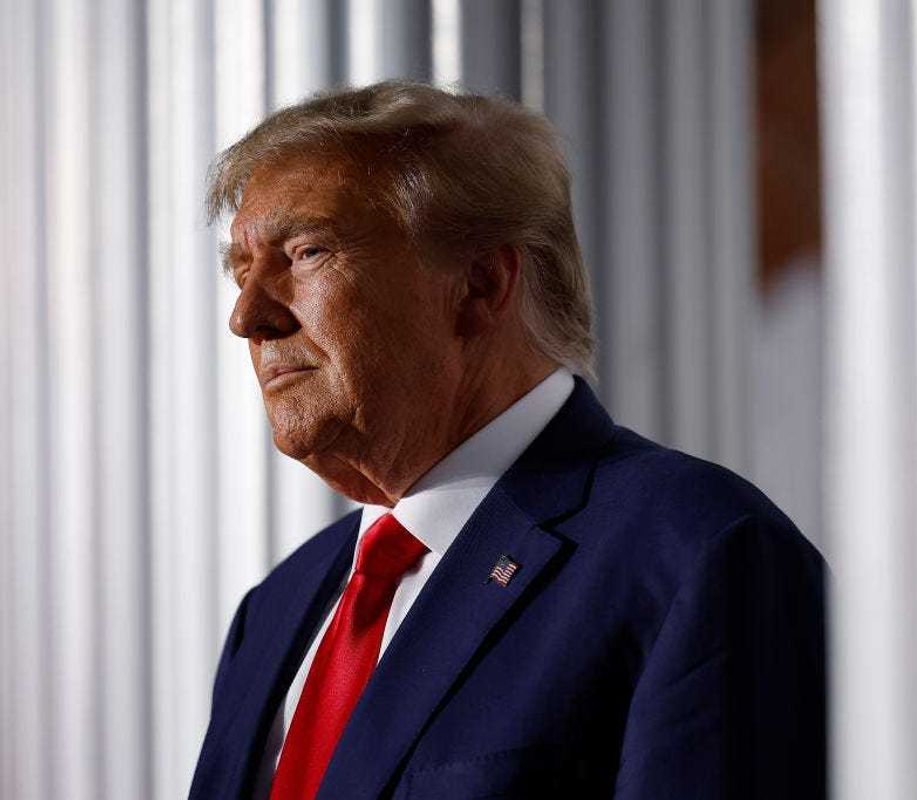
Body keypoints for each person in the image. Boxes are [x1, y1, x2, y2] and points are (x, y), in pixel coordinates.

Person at [189, 80, 826, 800]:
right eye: (242, 272)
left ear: (482, 284)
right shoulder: (276, 610)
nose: (248, 316)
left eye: (306, 253)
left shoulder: (699, 553)